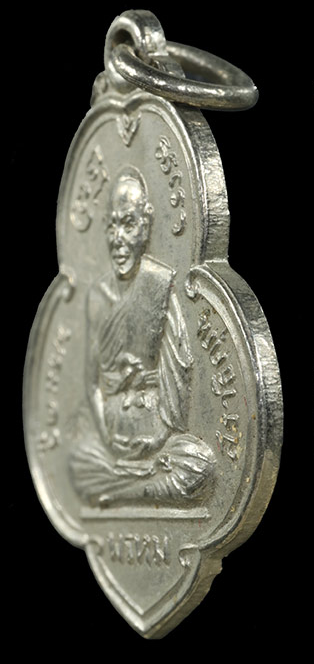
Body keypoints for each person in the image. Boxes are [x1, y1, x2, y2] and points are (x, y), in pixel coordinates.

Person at [70, 167, 214, 506]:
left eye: (129, 225)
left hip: (157, 439)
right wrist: (107, 436)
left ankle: (120, 493)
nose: (119, 238)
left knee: (200, 466)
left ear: (146, 228)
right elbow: (91, 383)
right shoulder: (96, 297)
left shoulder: (159, 285)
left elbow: (180, 373)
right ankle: (134, 486)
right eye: (112, 227)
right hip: (112, 439)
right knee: (76, 466)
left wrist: (157, 424)